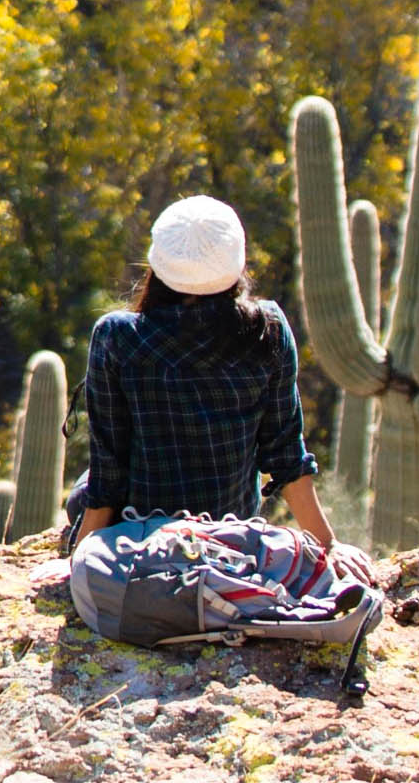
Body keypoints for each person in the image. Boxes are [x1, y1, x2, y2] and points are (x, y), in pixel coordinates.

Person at [71, 195, 333, 549]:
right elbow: (286, 453)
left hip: (141, 534)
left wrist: (82, 553)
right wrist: (327, 546)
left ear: (158, 263)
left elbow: (109, 469)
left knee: (80, 493)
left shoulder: (116, 336)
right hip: (228, 532)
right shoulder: (265, 328)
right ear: (236, 262)